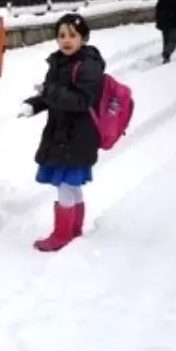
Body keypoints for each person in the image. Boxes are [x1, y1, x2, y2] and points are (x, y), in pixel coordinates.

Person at [17, 14, 104, 253]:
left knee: (65, 183)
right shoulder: (58, 62)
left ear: (84, 38)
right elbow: (52, 94)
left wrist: (49, 92)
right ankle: (74, 229)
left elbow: (81, 101)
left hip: (79, 135)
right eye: (61, 35)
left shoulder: (88, 65)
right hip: (62, 132)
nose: (66, 41)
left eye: (72, 36)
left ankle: (62, 233)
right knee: (70, 184)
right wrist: (34, 104)